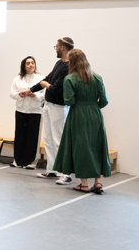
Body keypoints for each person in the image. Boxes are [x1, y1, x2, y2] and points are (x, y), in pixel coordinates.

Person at [53, 50, 110, 194]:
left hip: (78, 114)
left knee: (81, 147)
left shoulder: (70, 79)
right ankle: (98, 182)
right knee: (97, 146)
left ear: (71, 62)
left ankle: (84, 184)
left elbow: (69, 100)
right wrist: (92, 105)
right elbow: (104, 101)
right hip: (95, 115)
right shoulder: (97, 78)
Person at [19, 37, 75, 184]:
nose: (55, 49)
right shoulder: (58, 63)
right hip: (49, 105)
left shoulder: (69, 66)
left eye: (56, 47)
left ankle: (65, 174)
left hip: (59, 107)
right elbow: (48, 79)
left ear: (62, 48)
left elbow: (56, 87)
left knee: (59, 140)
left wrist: (46, 84)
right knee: (48, 140)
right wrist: (30, 89)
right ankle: (52, 170)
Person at [9, 56, 45, 169]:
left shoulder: (41, 78)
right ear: (24, 66)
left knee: (32, 137)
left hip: (35, 111)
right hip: (21, 110)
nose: (31, 65)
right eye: (28, 63)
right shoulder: (17, 79)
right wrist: (20, 95)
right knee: (20, 136)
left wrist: (34, 95)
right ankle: (18, 160)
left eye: (32, 63)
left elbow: (44, 95)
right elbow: (11, 93)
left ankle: (30, 162)